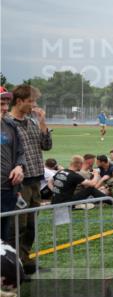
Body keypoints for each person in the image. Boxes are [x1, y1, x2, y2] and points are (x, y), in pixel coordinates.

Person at [7, 85, 52, 274]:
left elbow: (47, 146)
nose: (34, 105)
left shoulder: (32, 122)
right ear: (19, 101)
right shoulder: (7, 123)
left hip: (35, 178)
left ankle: (24, 259)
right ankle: (12, 264)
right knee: (18, 225)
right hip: (19, 181)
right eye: (31, 101)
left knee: (31, 224)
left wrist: (42, 123)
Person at [0, 87, 26, 250]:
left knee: (3, 236)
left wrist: (19, 167)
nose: (5, 108)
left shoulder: (9, 125)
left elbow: (20, 152)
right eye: (1, 103)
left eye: (6, 104)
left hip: (6, 189)